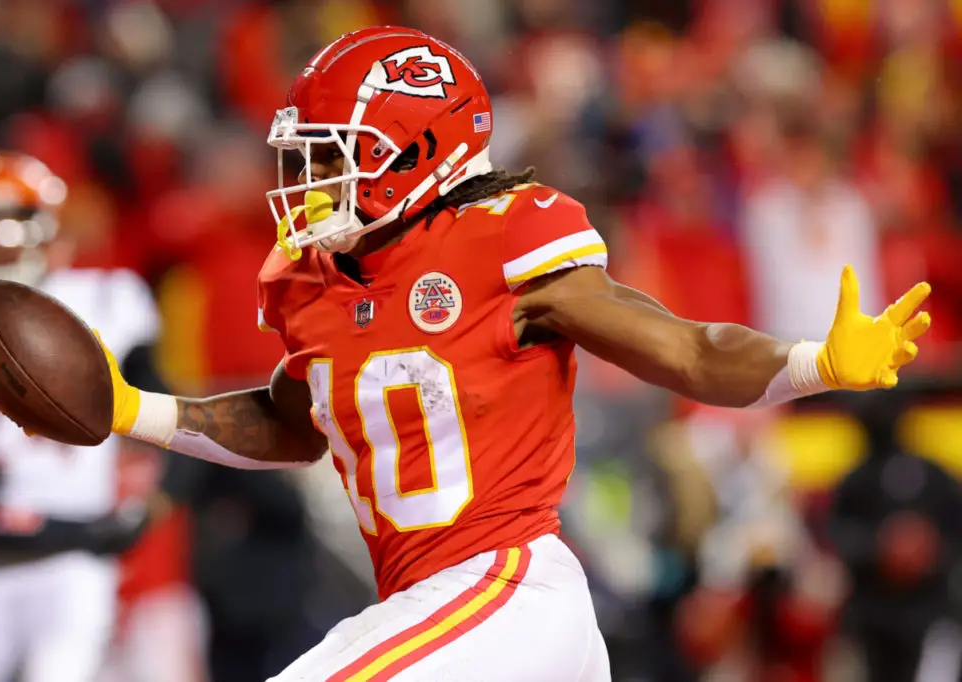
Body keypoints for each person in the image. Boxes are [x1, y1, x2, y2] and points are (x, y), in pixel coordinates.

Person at [82, 27, 927, 681]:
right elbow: (295, 422)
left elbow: (690, 352)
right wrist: (132, 411)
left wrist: (818, 361)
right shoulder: (315, 280)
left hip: (507, 592)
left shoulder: (508, 239)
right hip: (433, 612)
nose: (311, 176)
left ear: (418, 151)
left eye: (338, 153)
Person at [0, 150, 162, 682]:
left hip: (75, 552)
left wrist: (158, 497)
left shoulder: (107, 298)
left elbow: (169, 407)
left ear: (43, 224)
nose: (0, 241)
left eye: (11, 223)